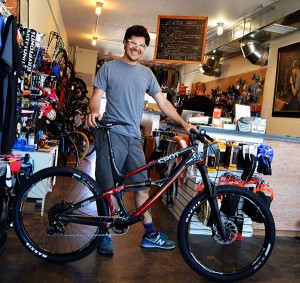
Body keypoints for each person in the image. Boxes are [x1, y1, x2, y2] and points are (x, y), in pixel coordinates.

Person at [86, 25, 197, 255]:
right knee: (107, 187)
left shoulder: (147, 74)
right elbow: (95, 99)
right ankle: (104, 233)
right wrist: (95, 111)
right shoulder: (108, 68)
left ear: (145, 48)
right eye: (133, 43)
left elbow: (164, 103)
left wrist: (184, 123)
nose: (136, 48)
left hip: (133, 138)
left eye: (141, 45)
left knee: (143, 185)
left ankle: (150, 233)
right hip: (110, 134)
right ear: (125, 42)